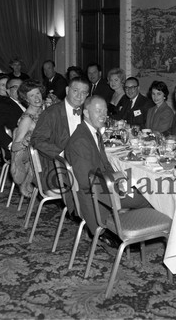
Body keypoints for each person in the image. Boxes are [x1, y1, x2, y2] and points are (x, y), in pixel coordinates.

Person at [65, 95, 151, 246]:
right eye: (98, 111)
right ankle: (136, 236)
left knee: (138, 184)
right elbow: (87, 182)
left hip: (102, 187)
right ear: (85, 113)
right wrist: (115, 183)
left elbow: (104, 163)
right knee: (150, 196)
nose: (103, 115)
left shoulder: (91, 132)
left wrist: (120, 179)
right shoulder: (81, 140)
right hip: (95, 196)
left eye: (105, 111)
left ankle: (124, 229)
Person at [31, 76, 90, 205]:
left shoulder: (87, 112)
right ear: (67, 90)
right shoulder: (51, 113)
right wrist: (62, 154)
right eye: (75, 91)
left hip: (83, 163)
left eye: (84, 92)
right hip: (58, 169)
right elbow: (37, 140)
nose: (79, 96)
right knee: (102, 185)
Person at [10, 80, 45, 197]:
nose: (36, 98)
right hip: (38, 160)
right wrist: (25, 142)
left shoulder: (43, 109)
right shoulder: (27, 119)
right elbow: (15, 147)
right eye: (32, 95)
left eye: (38, 93)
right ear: (26, 99)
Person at [0, 78, 25, 155]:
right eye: (15, 87)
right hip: (20, 147)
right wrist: (11, 145)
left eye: (22, 87)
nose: (20, 90)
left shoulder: (26, 103)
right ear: (8, 91)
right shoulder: (5, 106)